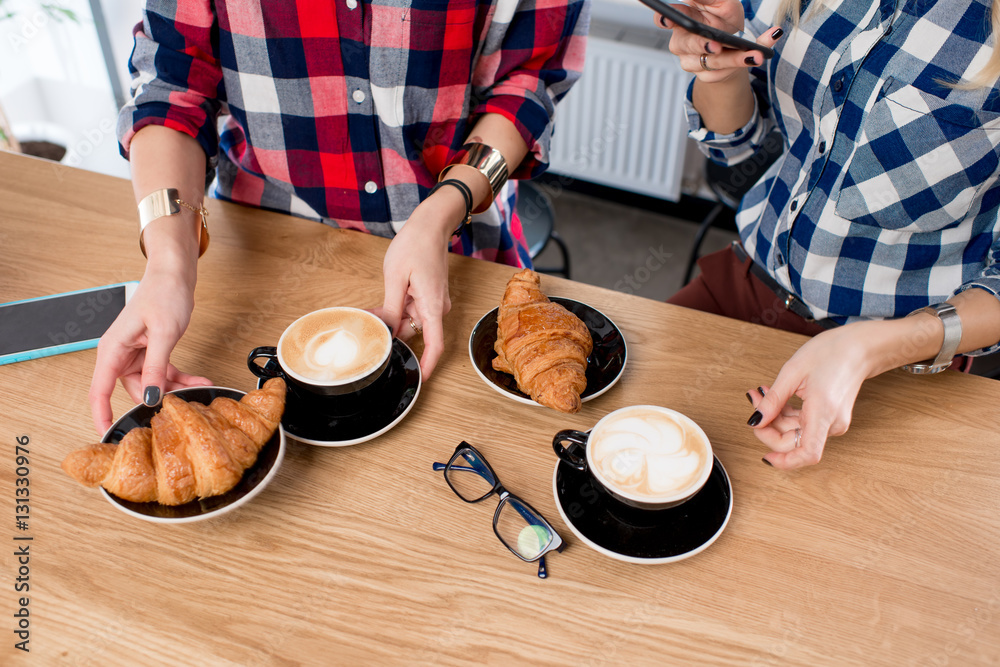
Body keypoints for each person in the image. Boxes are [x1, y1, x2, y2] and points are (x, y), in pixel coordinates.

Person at [89, 0, 590, 434]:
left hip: (454, 239)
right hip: (265, 238)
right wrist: (169, 266)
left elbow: (526, 84)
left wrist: (441, 212)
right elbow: (175, 89)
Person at [659, 0, 1000, 468]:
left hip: (901, 362)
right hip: (742, 291)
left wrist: (869, 349)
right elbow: (735, 146)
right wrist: (720, 67)